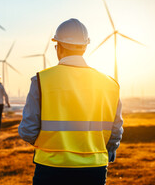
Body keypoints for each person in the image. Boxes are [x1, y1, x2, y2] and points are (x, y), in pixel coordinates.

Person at [18, 18, 123, 185]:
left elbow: (27, 131)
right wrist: (106, 151)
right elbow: (115, 131)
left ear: (58, 47)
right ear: (85, 47)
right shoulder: (110, 84)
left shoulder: (41, 80)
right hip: (94, 170)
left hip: (50, 168)